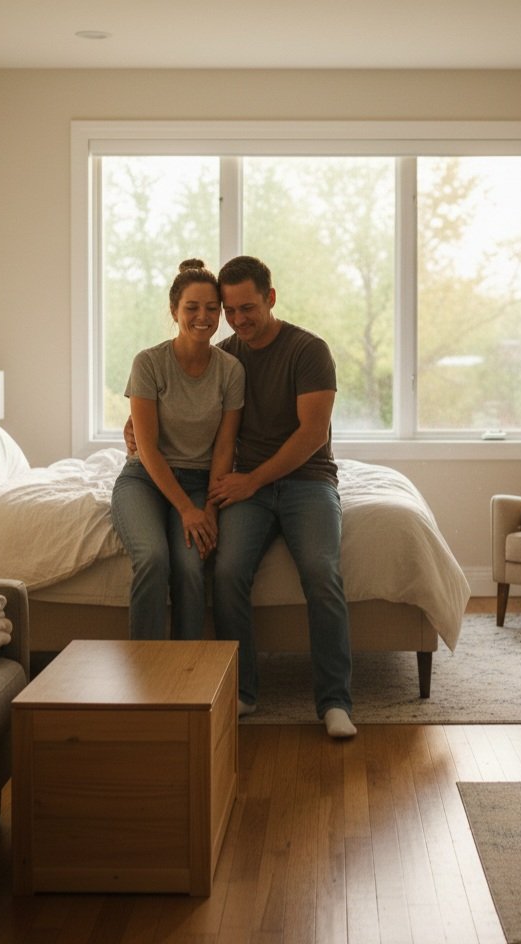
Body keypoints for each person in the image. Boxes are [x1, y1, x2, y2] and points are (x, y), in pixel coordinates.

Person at [125, 255, 356, 739]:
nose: (236, 320)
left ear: (270, 299)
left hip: (306, 481)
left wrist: (247, 482)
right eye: (229, 310)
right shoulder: (225, 355)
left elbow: (312, 434)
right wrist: (137, 429)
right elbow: (174, 403)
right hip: (244, 485)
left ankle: (334, 701)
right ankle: (243, 691)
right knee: (227, 571)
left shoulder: (309, 351)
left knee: (321, 569)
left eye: (246, 307)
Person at [111, 259, 244, 641]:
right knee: (153, 558)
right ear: (174, 311)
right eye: (192, 307)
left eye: (211, 308)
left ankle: (187, 677)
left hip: (201, 481)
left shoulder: (231, 370)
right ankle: (146, 674)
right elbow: (147, 447)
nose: (203, 316)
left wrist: (209, 509)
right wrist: (186, 510)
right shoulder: (149, 363)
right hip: (145, 479)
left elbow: (224, 449)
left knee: (189, 568)